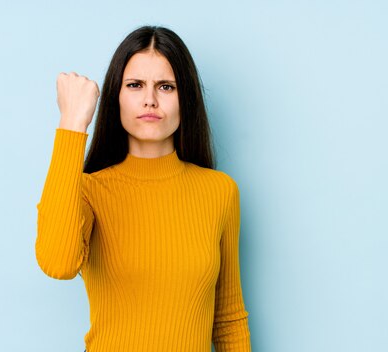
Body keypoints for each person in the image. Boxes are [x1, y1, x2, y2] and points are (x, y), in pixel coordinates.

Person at [35, 25, 251, 352]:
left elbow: (228, 320)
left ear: (185, 98)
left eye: (166, 86)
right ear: (116, 97)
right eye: (135, 85)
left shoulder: (219, 191)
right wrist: (72, 124)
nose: (149, 100)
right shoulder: (89, 190)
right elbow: (57, 263)